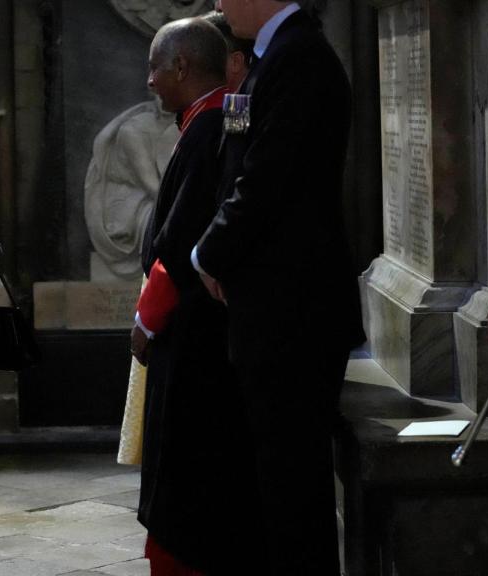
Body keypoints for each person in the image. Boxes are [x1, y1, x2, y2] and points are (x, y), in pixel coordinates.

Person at [192, 1, 365, 573]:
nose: (217, 4)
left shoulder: (299, 59)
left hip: (294, 314)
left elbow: (267, 179)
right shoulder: (278, 54)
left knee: (294, 494)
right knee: (280, 485)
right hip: (275, 307)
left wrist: (208, 254)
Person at [126, 17, 264, 576]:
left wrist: (147, 320)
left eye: (155, 67)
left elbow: (180, 244)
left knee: (185, 478)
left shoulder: (210, 128)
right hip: (205, 330)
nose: (150, 81)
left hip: (194, 337)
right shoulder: (214, 119)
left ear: (181, 67)